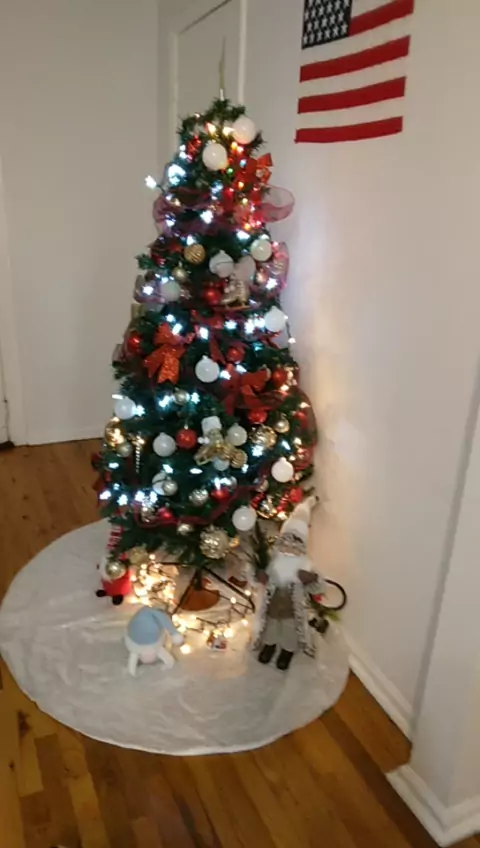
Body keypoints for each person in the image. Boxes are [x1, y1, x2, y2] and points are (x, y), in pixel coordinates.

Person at [254, 496, 325, 670]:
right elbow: (257, 577)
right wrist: (259, 577)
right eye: (285, 544)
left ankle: (287, 651)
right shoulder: (273, 562)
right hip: (272, 607)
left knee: (289, 631)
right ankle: (269, 646)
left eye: (294, 546)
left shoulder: (306, 566)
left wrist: (313, 578)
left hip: (291, 610)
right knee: (270, 628)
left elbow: (319, 587)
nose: (289, 549)